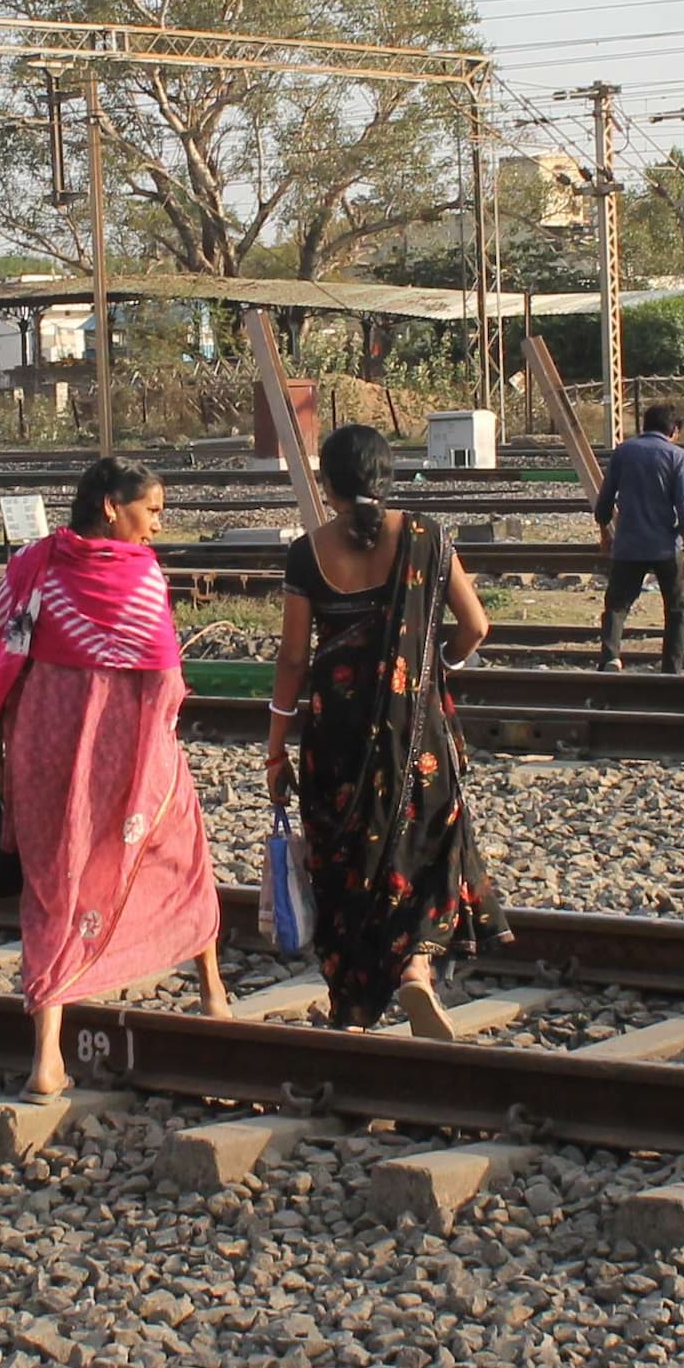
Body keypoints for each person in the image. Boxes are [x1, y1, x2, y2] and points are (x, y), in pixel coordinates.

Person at [0, 454, 230, 1097]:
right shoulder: (141, 577)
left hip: (45, 745)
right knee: (177, 847)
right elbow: (164, 681)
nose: (157, 527)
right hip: (128, 746)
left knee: (56, 879)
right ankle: (212, 993)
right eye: (153, 511)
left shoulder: (32, 567)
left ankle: (47, 1060)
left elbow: (5, 660)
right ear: (113, 506)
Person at [264, 424, 505, 1034]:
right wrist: (429, 666)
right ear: (387, 474)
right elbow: (475, 626)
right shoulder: (429, 536)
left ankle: (352, 1008)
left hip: (334, 740)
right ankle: (417, 972)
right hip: (416, 732)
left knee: (347, 862)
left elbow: (292, 659)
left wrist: (274, 749)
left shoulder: (307, 552)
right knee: (421, 848)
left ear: (328, 484)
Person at [590, 405, 684, 673]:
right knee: (676, 607)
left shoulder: (624, 451)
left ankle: (611, 657)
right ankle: (672, 666)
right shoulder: (677, 456)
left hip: (628, 543)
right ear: (673, 430)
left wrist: (606, 535)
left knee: (617, 603)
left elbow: (604, 502)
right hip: (665, 546)